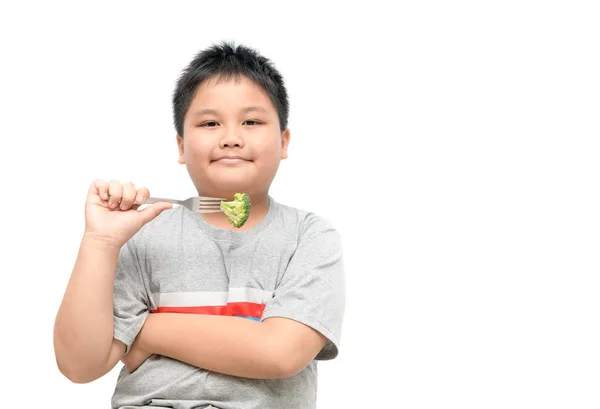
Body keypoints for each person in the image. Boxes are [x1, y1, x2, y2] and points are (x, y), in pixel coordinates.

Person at [53, 41, 345, 409]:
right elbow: (80, 365)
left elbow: (280, 353)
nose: (231, 137)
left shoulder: (309, 236)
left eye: (251, 121)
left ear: (284, 141)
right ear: (181, 145)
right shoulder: (143, 236)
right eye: (210, 123)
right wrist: (100, 242)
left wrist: (147, 330)